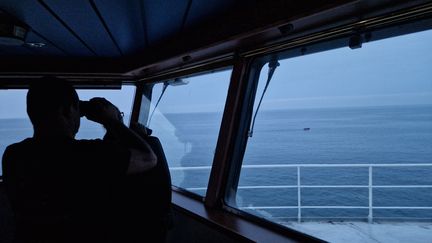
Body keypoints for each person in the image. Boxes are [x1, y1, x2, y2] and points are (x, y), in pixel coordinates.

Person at [2, 77, 158, 243]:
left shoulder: (13, 155)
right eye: (76, 109)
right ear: (68, 111)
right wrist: (112, 120)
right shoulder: (88, 155)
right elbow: (148, 158)